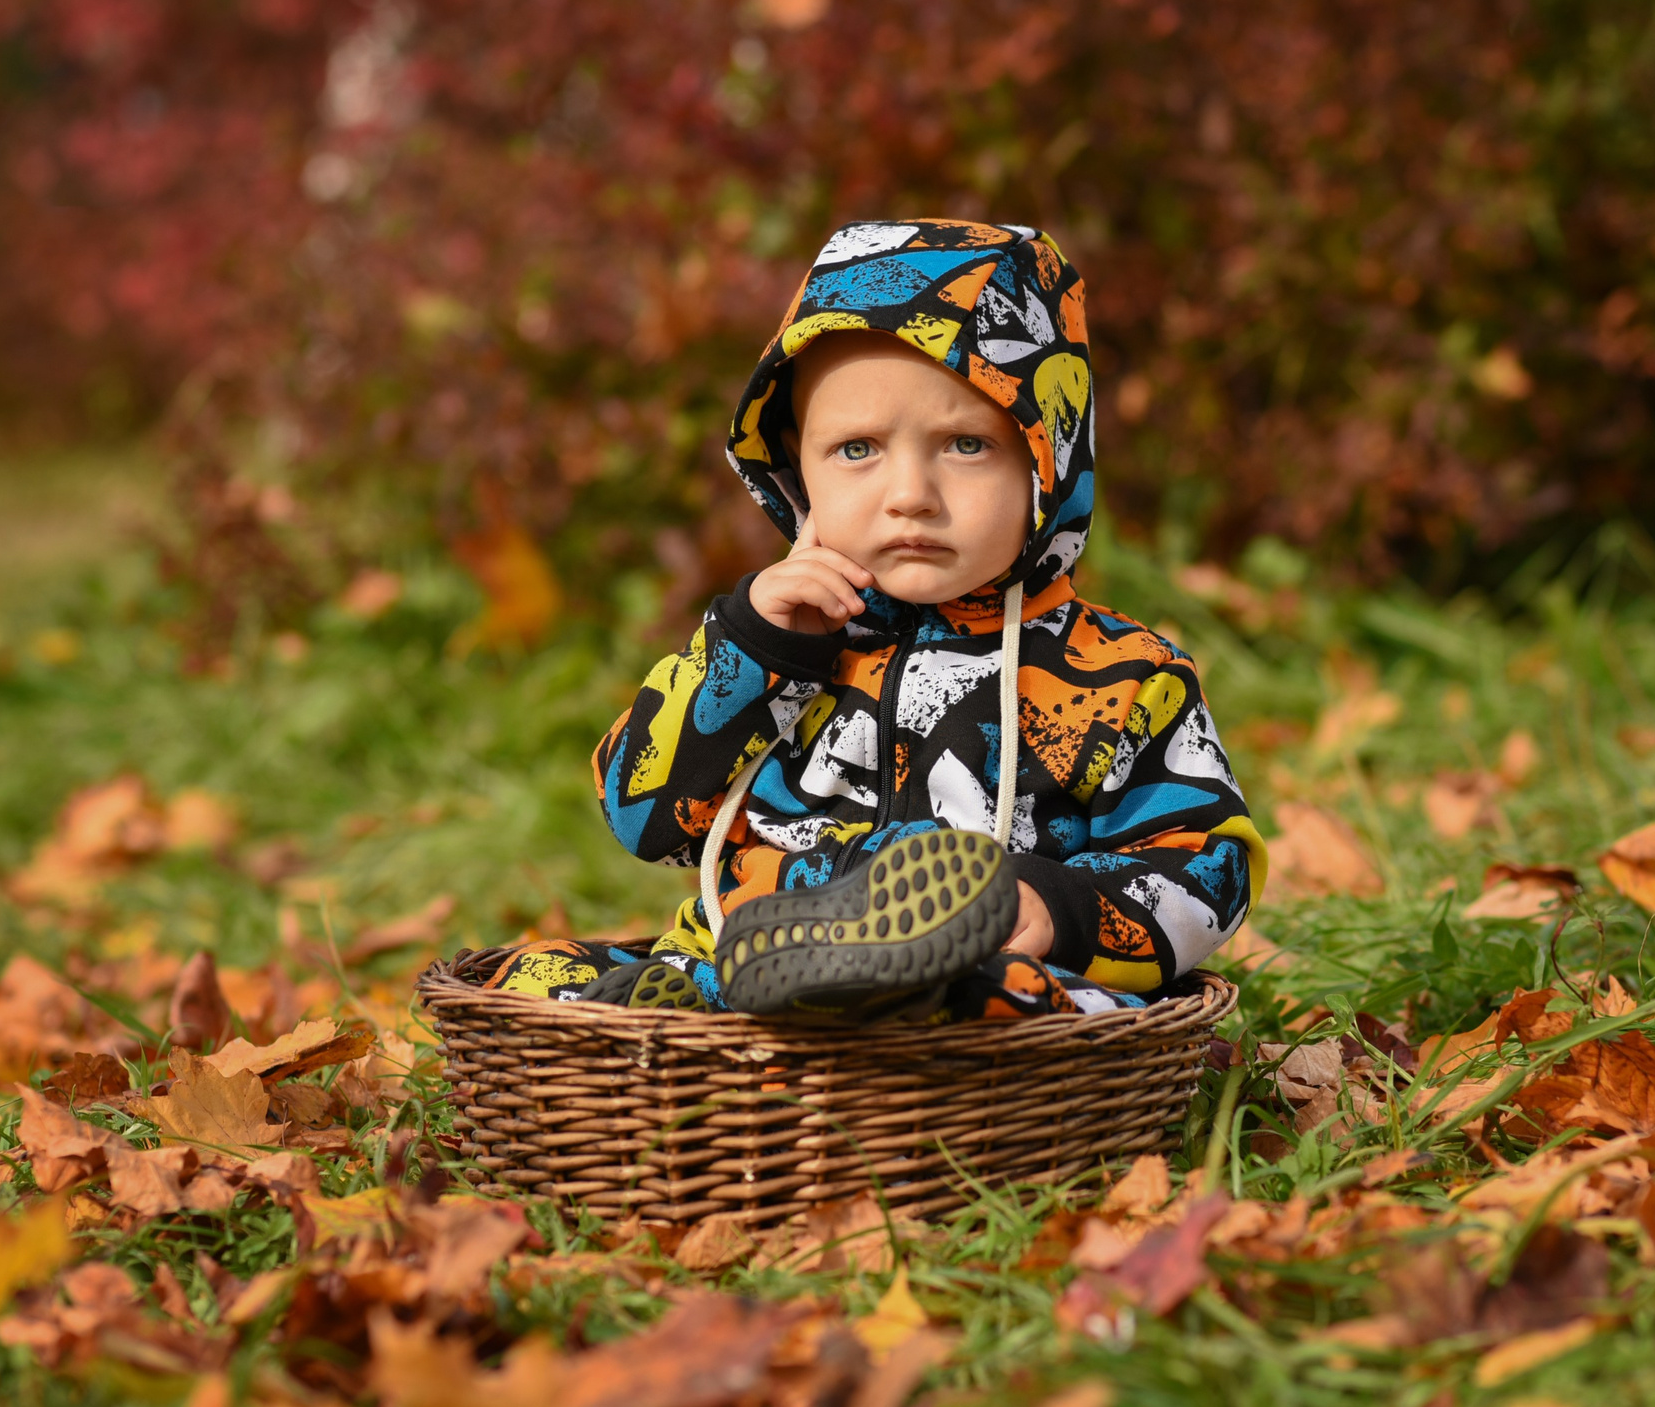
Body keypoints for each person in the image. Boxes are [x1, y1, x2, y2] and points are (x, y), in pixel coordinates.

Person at [488, 219, 1264, 1020]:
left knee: (1007, 995)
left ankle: (891, 994)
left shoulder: (1124, 674)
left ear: (1046, 459)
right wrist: (752, 649)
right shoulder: (782, 639)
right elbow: (641, 816)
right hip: (740, 953)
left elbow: (1207, 864)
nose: (910, 494)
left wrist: (1054, 910)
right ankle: (695, 1003)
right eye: (857, 450)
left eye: (965, 445)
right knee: (528, 978)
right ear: (797, 463)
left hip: (989, 973)